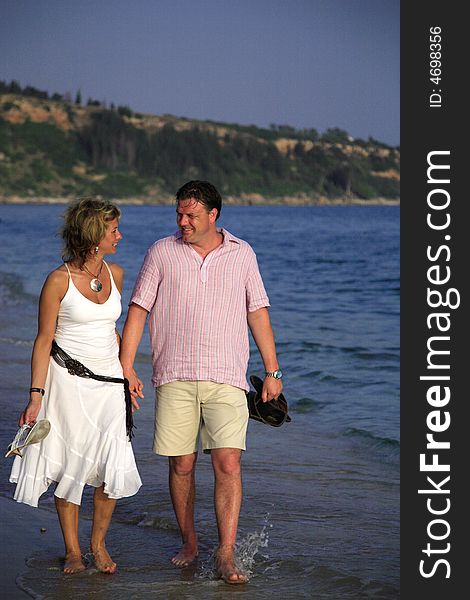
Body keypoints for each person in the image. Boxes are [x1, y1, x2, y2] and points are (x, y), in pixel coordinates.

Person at [120, 180, 283, 584]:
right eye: (179, 213)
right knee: (182, 465)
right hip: (174, 374)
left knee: (228, 462)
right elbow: (138, 311)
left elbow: (257, 312)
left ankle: (225, 553)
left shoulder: (242, 254)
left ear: (213, 215)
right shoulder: (161, 251)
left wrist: (273, 371)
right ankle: (190, 542)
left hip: (227, 377)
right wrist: (126, 366)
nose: (182, 221)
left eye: (191, 215)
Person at [9, 198, 142, 574]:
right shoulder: (58, 280)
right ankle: (72, 550)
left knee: (110, 466)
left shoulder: (115, 273)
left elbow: (112, 330)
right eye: (113, 230)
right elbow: (43, 340)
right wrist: (35, 396)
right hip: (68, 384)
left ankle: (98, 544)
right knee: (72, 464)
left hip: (110, 385)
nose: (120, 235)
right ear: (93, 236)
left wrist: (128, 371)